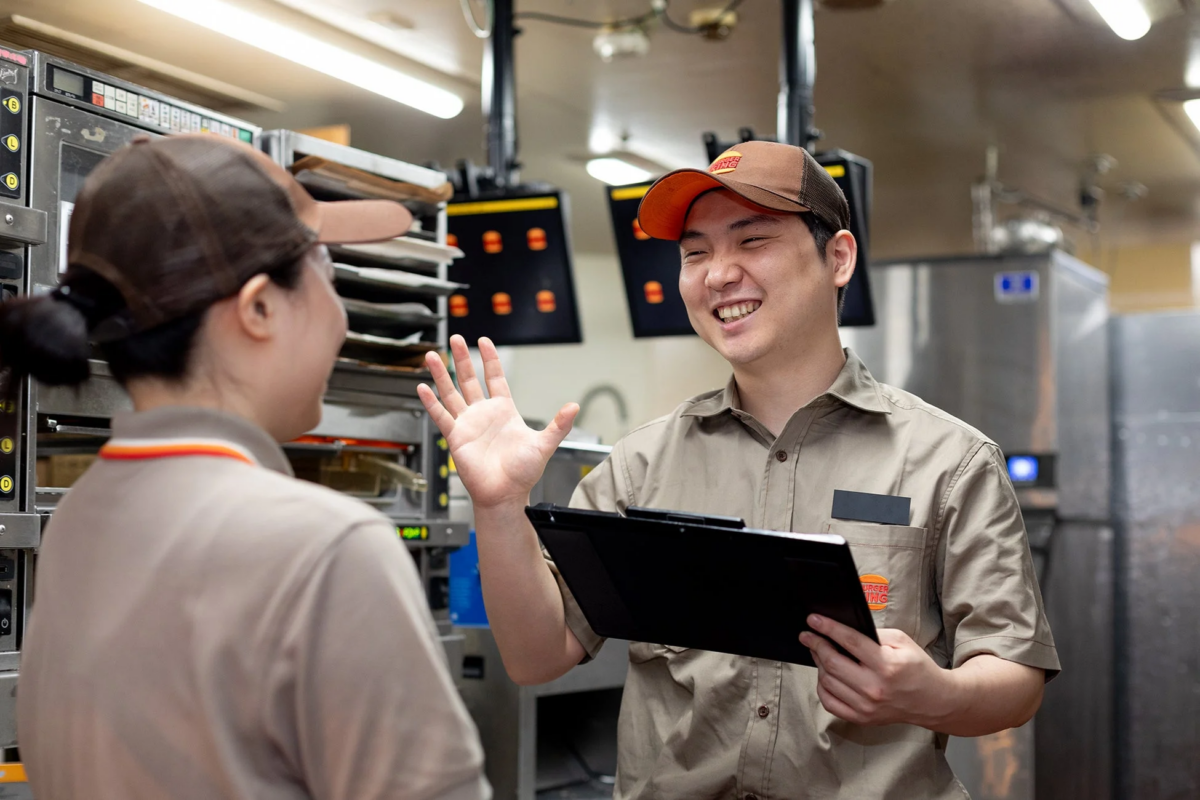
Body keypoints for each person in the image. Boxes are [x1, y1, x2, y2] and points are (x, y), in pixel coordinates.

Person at [418, 140, 1059, 799]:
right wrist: (498, 506)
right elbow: (535, 656)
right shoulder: (640, 466)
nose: (718, 273)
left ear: (837, 258)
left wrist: (934, 692)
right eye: (695, 253)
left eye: (752, 241)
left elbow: (1014, 679)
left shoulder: (948, 461)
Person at [6, 135, 489, 800]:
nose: (341, 314)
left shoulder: (75, 524)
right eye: (326, 268)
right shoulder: (328, 549)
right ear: (259, 307)